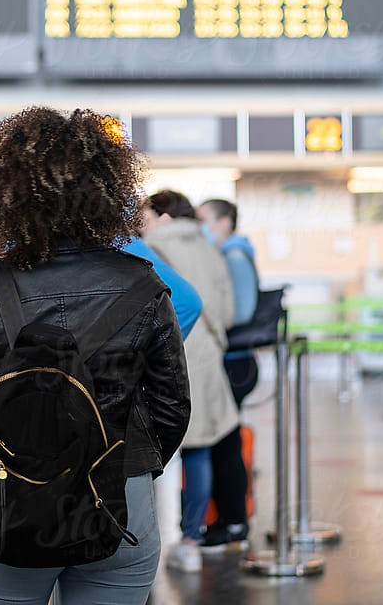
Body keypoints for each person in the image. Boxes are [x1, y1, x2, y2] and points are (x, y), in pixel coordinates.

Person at [0, 107, 191, 605]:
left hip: (11, 499)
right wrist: (130, 466)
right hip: (121, 495)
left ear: (6, 191)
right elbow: (171, 407)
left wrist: (11, 464)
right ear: (108, 189)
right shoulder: (141, 282)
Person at [140, 190, 245, 572]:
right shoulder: (210, 246)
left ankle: (140, 543)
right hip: (208, 354)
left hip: (168, 351)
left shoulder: (147, 246)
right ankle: (190, 541)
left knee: (144, 451)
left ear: (160, 216)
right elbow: (229, 310)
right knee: (200, 449)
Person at [197, 197, 260, 552]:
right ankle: (229, 519)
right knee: (225, 442)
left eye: (204, 220)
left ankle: (233, 521)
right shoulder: (230, 253)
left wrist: (213, 320)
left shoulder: (234, 255)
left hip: (235, 363)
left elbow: (241, 310)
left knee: (225, 443)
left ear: (223, 222)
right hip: (233, 362)